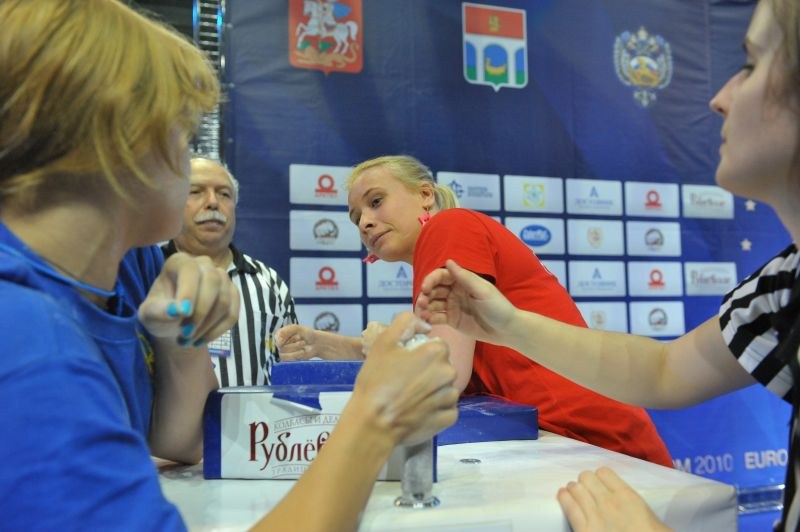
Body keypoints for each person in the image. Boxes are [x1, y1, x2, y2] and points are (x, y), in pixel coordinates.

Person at [0, 1, 458, 530]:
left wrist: (179, 341)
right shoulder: (28, 344)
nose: (192, 162)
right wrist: (376, 417)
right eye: (181, 134)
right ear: (118, 145)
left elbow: (181, 442)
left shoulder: (130, 266)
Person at [416, 1, 800, 529]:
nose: (719, 99)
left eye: (751, 65)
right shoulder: (781, 288)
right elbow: (663, 370)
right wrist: (507, 325)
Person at [277, 154, 673, 467]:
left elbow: (444, 376)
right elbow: (443, 364)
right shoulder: (441, 247)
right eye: (355, 217)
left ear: (425, 195)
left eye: (376, 202)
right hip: (571, 441)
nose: (365, 222)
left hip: (599, 444)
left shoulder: (448, 227)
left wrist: (384, 346)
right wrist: (326, 345)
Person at [162, 157, 298, 387]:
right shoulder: (146, 274)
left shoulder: (269, 284)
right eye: (195, 192)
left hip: (255, 412)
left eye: (224, 194)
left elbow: (291, 371)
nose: (213, 202)